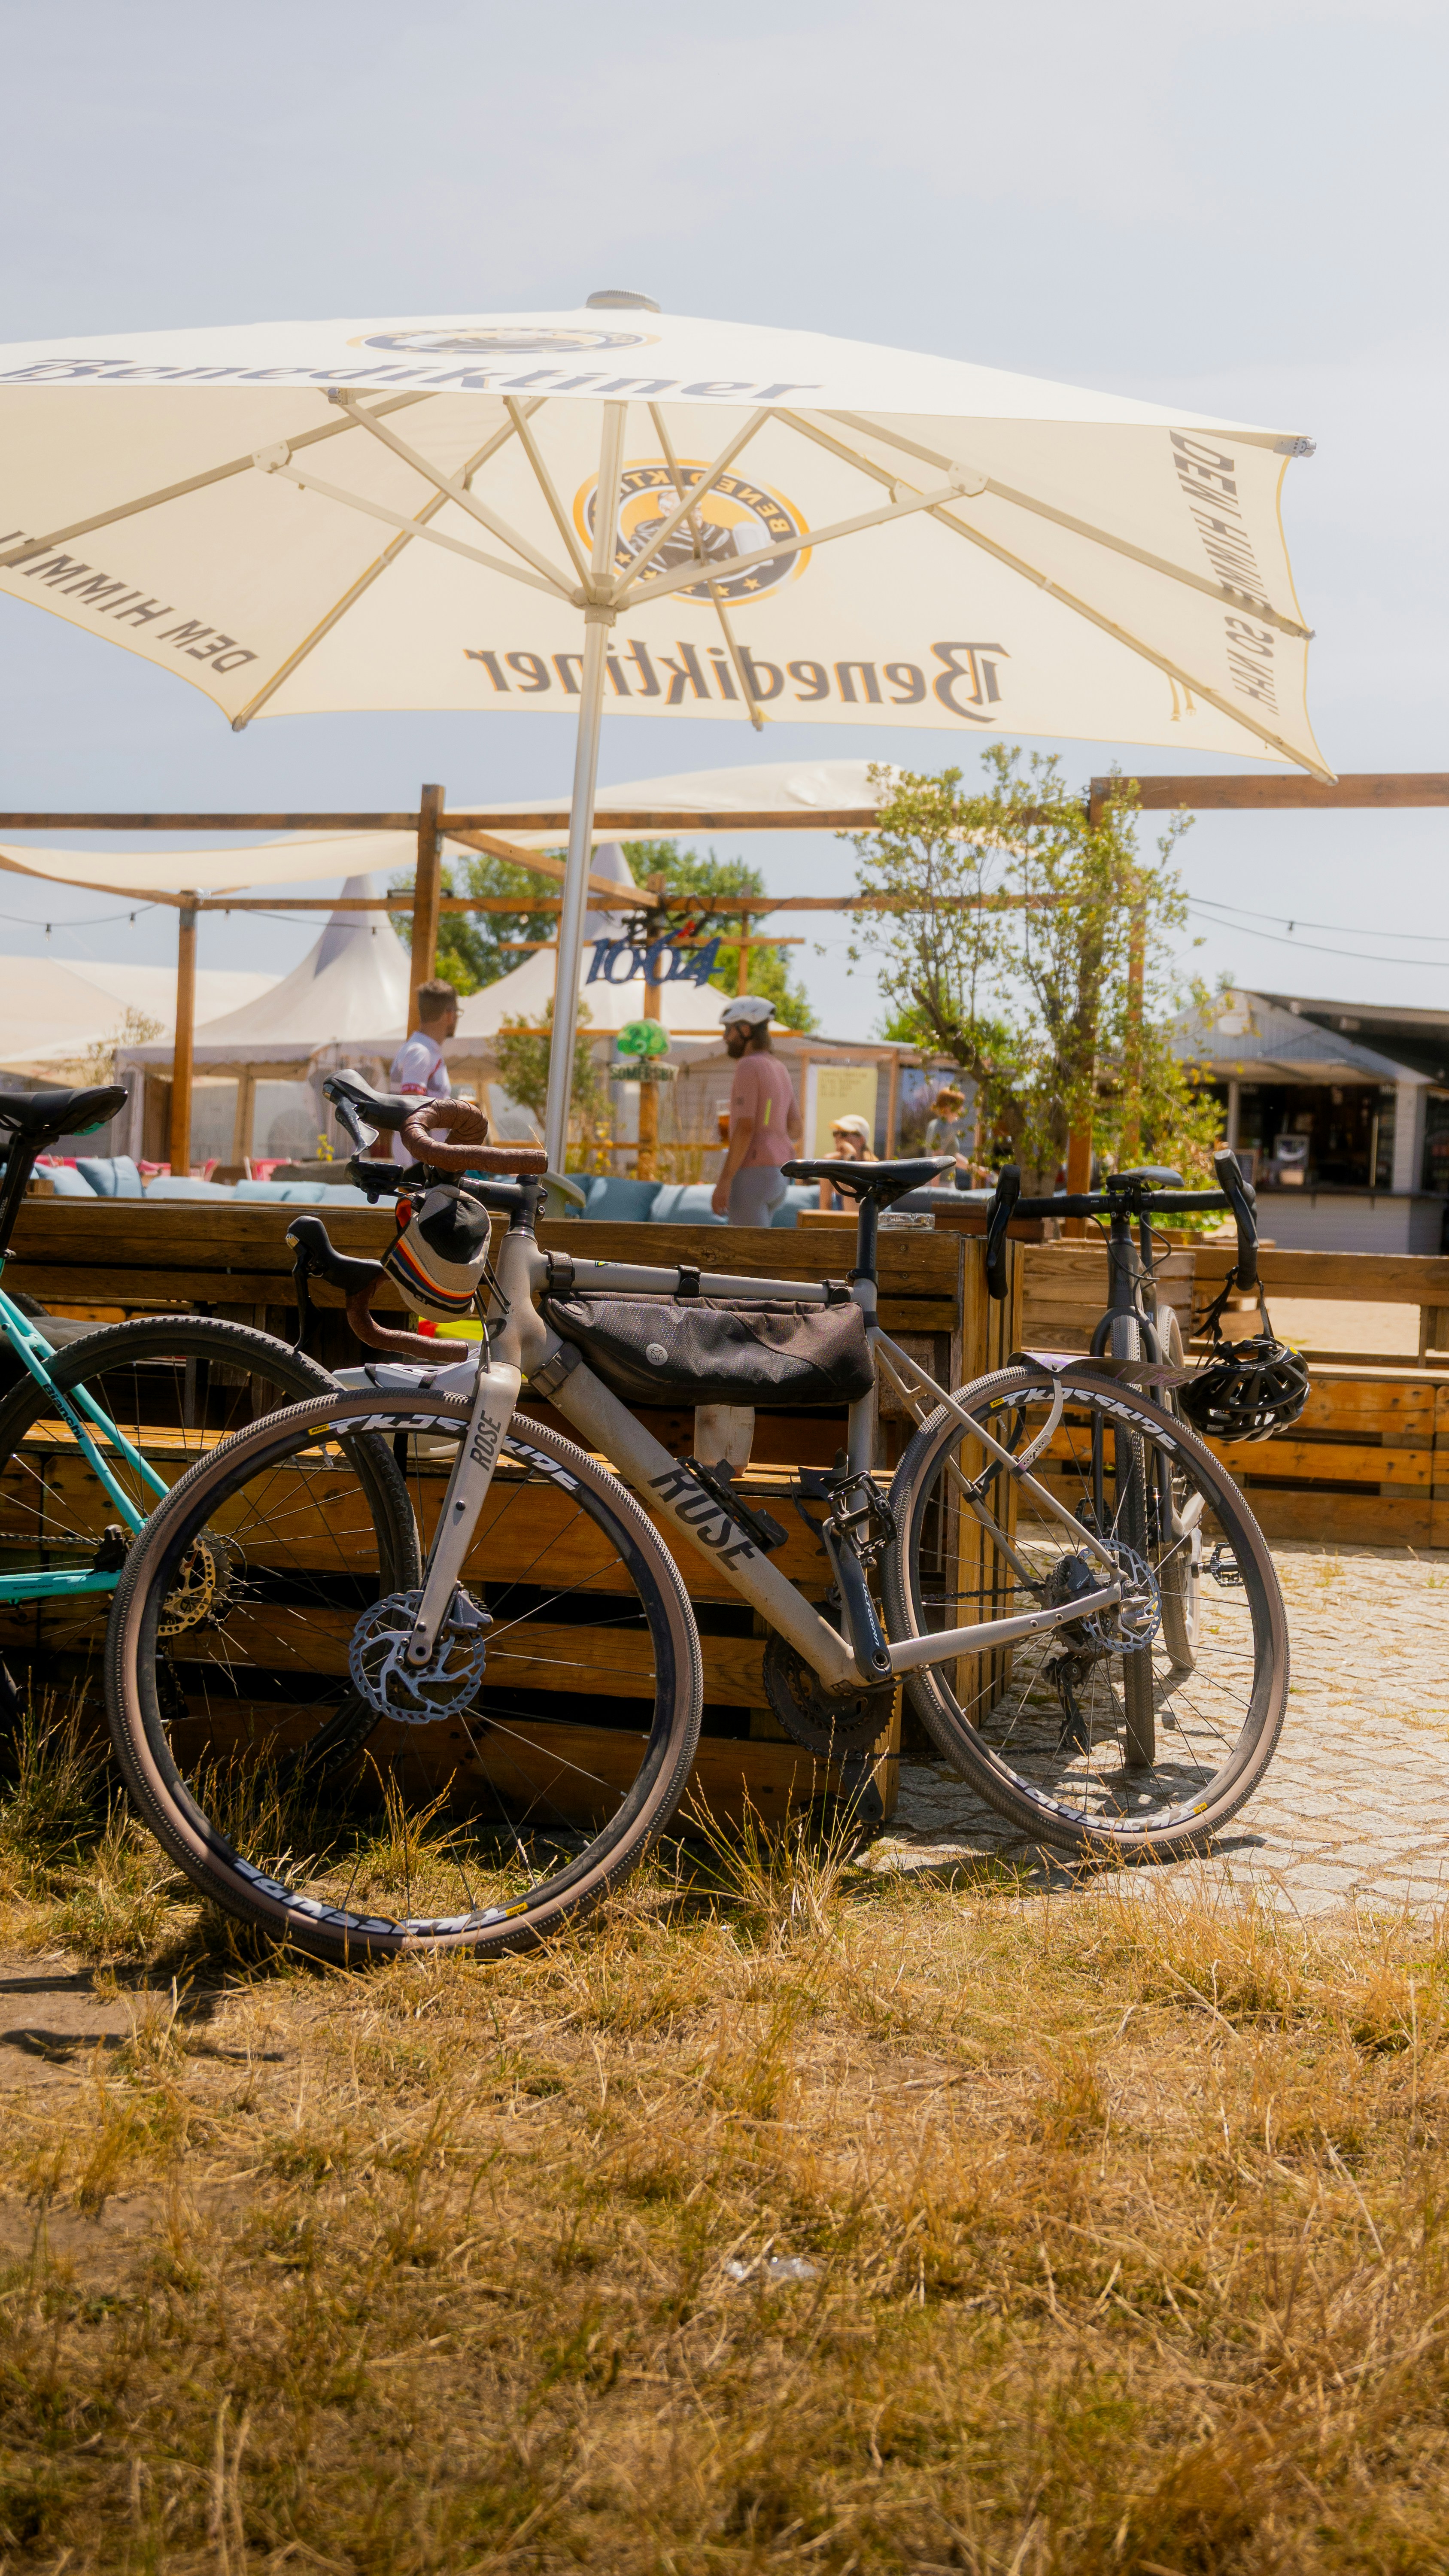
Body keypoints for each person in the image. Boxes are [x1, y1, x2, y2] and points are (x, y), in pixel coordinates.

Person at [711, 994, 802, 1223]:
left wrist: (724, 1182)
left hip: (753, 1173)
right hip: (779, 1176)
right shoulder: (779, 1066)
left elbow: (745, 1129)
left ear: (745, 1030)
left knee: (743, 1253)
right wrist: (770, 1130)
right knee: (757, 1250)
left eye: (728, 1030)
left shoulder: (748, 1065)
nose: (725, 1037)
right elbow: (796, 1128)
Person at [389, 978, 458, 1165]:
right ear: (450, 1015)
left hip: (423, 1164)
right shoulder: (420, 1052)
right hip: (420, 1168)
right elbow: (413, 1114)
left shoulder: (420, 1050)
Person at [817, 1112, 876, 1210]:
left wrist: (850, 1157)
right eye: (835, 1133)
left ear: (861, 1140)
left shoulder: (872, 1168)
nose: (838, 1138)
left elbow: (852, 1212)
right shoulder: (830, 1163)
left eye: (844, 1134)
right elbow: (824, 1208)